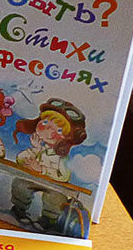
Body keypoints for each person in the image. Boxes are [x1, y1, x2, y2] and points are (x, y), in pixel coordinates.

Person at [10, 98, 87, 230]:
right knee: (20, 183)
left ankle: (48, 219)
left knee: (55, 197)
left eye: (58, 131)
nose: (47, 130)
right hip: (33, 180)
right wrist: (35, 150)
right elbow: (20, 159)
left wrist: (42, 170)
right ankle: (18, 209)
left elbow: (64, 176)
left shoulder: (61, 157)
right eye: (45, 122)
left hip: (52, 186)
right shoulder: (40, 149)